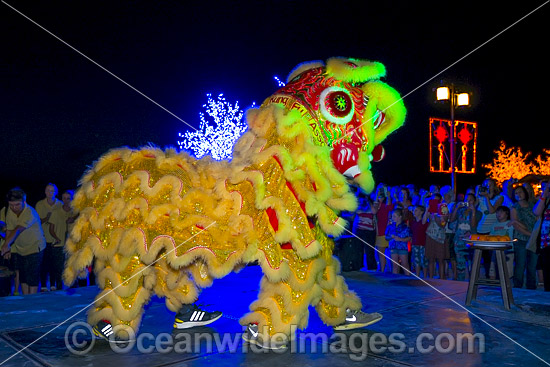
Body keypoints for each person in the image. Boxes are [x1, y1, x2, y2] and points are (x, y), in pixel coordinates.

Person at [1, 188, 46, 295]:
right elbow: (9, 230)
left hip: (35, 247)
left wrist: (6, 244)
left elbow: (18, 229)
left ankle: (33, 301)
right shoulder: (10, 211)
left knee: (32, 277)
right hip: (21, 249)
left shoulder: (29, 212)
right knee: (23, 277)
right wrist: (7, 248)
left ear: (24, 202)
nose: (14, 208)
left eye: (17, 204)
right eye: (11, 205)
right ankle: (26, 301)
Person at [48, 190, 78, 290]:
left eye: (68, 198)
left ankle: (73, 286)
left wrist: (74, 219)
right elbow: (51, 228)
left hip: (72, 245)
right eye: (64, 198)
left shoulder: (76, 212)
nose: (66, 201)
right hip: (59, 244)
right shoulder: (56, 212)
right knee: (58, 267)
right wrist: (56, 238)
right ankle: (59, 286)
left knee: (72, 266)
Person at [35, 183, 62, 291]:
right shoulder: (40, 204)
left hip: (56, 238)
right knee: (44, 263)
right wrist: (47, 218)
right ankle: (43, 285)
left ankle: (53, 283)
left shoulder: (60, 204)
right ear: (45, 192)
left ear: (56, 192)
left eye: (52, 191)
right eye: (48, 190)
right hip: (43, 238)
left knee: (54, 263)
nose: (50, 193)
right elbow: (36, 221)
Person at [476, 179, 504, 278]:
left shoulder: (499, 197)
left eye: (490, 185)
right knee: (484, 256)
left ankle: (496, 276)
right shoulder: (480, 198)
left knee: (494, 255)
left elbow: (492, 210)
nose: (487, 187)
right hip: (480, 229)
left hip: (492, 229)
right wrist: (477, 193)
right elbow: (473, 208)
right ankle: (487, 276)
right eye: (485, 185)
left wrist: (487, 198)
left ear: (494, 186)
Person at [511, 185, 538, 289]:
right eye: (516, 193)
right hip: (521, 239)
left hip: (533, 239)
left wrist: (534, 235)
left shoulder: (532, 205)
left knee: (532, 265)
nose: (518, 195)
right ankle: (518, 286)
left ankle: (531, 287)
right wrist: (530, 234)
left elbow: (537, 220)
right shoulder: (514, 207)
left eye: (520, 192)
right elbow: (516, 225)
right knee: (520, 265)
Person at [450, 193, 481, 281]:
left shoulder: (478, 213)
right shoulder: (460, 211)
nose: (468, 202)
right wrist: (456, 208)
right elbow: (451, 220)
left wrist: (473, 212)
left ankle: (472, 282)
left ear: (474, 202)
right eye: (466, 200)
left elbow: (473, 225)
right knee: (460, 263)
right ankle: (461, 281)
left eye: (470, 200)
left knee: (472, 262)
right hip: (458, 240)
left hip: (470, 241)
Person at [425, 194, 449, 279]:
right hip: (430, 235)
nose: (435, 202)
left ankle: (442, 278)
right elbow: (424, 222)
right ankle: (431, 278)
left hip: (440, 236)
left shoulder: (444, 208)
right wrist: (427, 210)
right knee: (431, 259)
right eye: (433, 200)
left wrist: (437, 214)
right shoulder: (430, 209)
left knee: (440, 259)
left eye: (436, 200)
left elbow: (443, 224)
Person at [353, 193, 378, 271]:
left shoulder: (373, 203)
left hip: (369, 231)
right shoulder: (358, 204)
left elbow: (374, 211)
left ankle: (372, 268)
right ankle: (358, 267)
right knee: (358, 249)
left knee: (369, 251)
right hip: (359, 230)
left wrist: (368, 201)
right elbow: (355, 212)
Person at [533, 179, 550, 291]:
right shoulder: (545, 200)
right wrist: (544, 195)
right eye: (543, 187)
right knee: (547, 270)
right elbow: (536, 212)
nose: (545, 189)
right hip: (545, 241)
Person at [489, 206, 515, 279]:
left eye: (501, 212)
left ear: (507, 214)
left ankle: (506, 287)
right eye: (497, 212)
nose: (498, 214)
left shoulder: (510, 224)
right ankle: (494, 286)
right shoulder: (494, 224)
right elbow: (490, 236)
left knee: (507, 271)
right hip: (495, 250)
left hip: (508, 250)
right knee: (493, 270)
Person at [385, 208, 412, 275]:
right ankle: (395, 280)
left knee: (404, 264)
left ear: (400, 217)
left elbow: (409, 237)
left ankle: (408, 279)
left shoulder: (405, 226)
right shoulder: (390, 226)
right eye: (392, 216)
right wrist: (391, 237)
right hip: (393, 247)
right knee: (394, 265)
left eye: (394, 216)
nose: (393, 218)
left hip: (402, 247)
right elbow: (386, 237)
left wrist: (401, 239)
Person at [374, 186, 393, 272]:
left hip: (383, 231)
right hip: (377, 231)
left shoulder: (385, 206)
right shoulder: (376, 205)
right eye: (379, 195)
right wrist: (376, 195)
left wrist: (388, 196)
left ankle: (382, 270)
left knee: (382, 252)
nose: (380, 197)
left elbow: (389, 207)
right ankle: (382, 269)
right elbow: (374, 207)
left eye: (381, 196)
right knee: (379, 253)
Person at [410, 205, 429, 277]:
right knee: (416, 260)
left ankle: (424, 276)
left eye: (416, 210)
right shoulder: (413, 223)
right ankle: (417, 275)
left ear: (421, 212)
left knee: (424, 261)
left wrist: (427, 209)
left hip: (422, 244)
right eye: (414, 210)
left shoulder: (423, 222)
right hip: (415, 244)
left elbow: (424, 220)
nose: (414, 212)